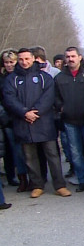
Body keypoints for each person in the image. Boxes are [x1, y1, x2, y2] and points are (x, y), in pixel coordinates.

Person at [3, 48, 71, 198]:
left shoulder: (44, 77)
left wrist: (36, 112)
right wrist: (24, 112)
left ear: (33, 59)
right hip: (23, 122)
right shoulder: (12, 79)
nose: (24, 62)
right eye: (21, 59)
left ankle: (59, 185)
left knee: (52, 155)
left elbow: (49, 97)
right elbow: (9, 99)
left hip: (44, 123)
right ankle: (37, 185)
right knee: (30, 157)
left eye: (27, 59)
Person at [54, 46, 84, 192]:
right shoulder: (60, 78)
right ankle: (83, 179)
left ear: (80, 57)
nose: (70, 59)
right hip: (70, 121)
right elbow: (55, 98)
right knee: (76, 153)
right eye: (67, 57)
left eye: (73, 56)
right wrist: (62, 108)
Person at [0, 49, 28, 191]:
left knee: (27, 150)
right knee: (13, 151)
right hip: (8, 120)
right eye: (6, 63)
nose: (9, 65)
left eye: (12, 62)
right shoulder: (2, 79)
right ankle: (17, 176)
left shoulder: (22, 76)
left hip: (23, 117)